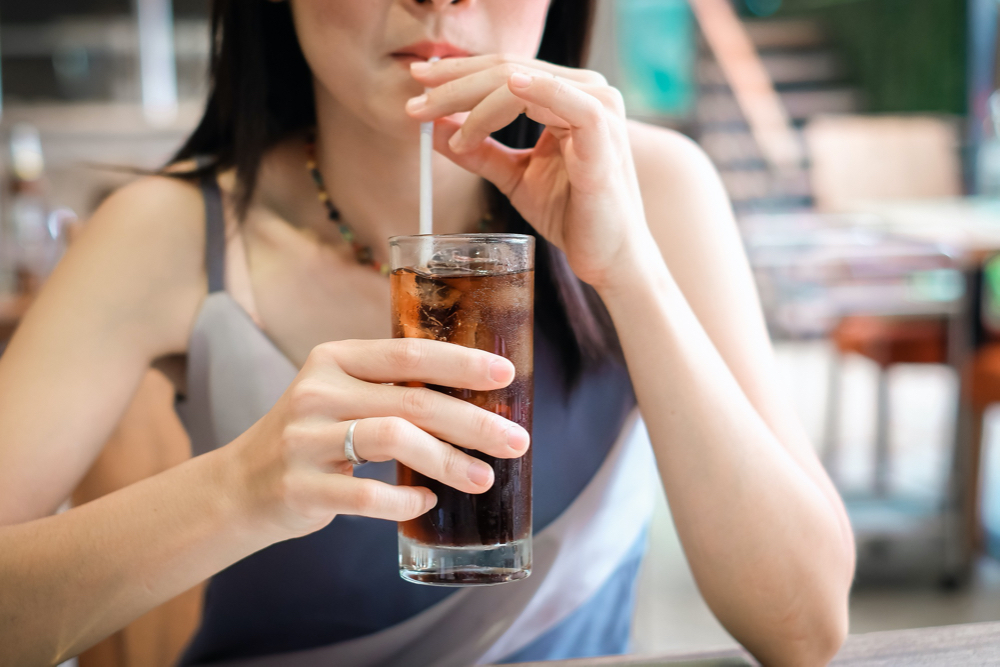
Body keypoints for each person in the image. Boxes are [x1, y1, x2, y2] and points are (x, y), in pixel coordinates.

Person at [0, 0, 855, 665]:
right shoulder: (164, 231)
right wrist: (238, 488)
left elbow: (806, 628)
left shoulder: (651, 190)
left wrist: (631, 271)